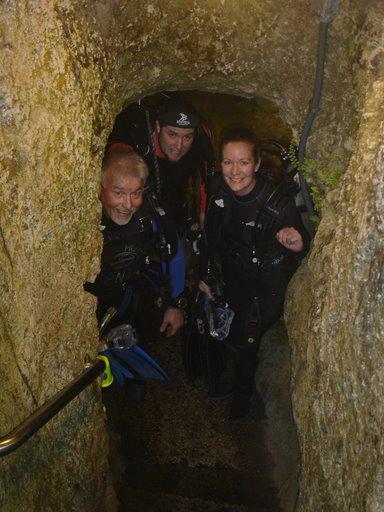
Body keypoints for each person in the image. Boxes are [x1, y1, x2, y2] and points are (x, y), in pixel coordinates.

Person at [198, 127, 310, 422]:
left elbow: (304, 249)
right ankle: (224, 376)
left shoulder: (277, 204)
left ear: (257, 164)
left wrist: (297, 243)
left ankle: (243, 395)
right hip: (236, 274)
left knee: (244, 339)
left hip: (268, 284)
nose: (235, 171)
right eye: (227, 162)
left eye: (243, 162)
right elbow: (210, 235)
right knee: (223, 330)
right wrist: (206, 273)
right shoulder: (219, 190)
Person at [84, 148, 185, 341]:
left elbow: (175, 254)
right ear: (100, 188)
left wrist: (174, 305)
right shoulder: (86, 220)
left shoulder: (149, 216)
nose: (128, 204)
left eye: (136, 193)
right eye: (119, 193)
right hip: (86, 306)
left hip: (125, 301)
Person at [106, 96, 215, 238]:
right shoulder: (136, 138)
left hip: (176, 201)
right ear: (158, 127)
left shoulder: (201, 140)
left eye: (187, 137)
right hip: (138, 203)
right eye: (172, 135)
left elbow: (205, 181)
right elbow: (112, 179)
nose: (179, 145)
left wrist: (203, 214)